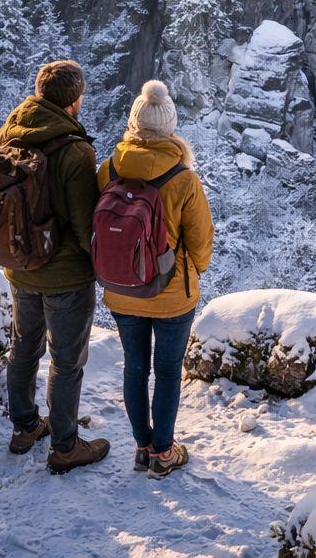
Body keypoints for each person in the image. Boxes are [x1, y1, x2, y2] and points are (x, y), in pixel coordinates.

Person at [0, 60, 109, 474]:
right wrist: (102, 271)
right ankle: (64, 446)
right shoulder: (76, 151)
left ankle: (25, 427)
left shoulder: (10, 131)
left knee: (23, 346)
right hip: (65, 276)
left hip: (19, 263)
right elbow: (83, 223)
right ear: (76, 99)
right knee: (66, 360)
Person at [99, 80, 213, 480]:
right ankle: (163, 454)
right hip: (171, 295)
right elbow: (200, 244)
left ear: (134, 123)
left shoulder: (110, 168)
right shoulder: (183, 178)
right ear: (170, 128)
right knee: (166, 372)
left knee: (134, 368)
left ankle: (142, 446)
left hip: (122, 289)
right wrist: (192, 270)